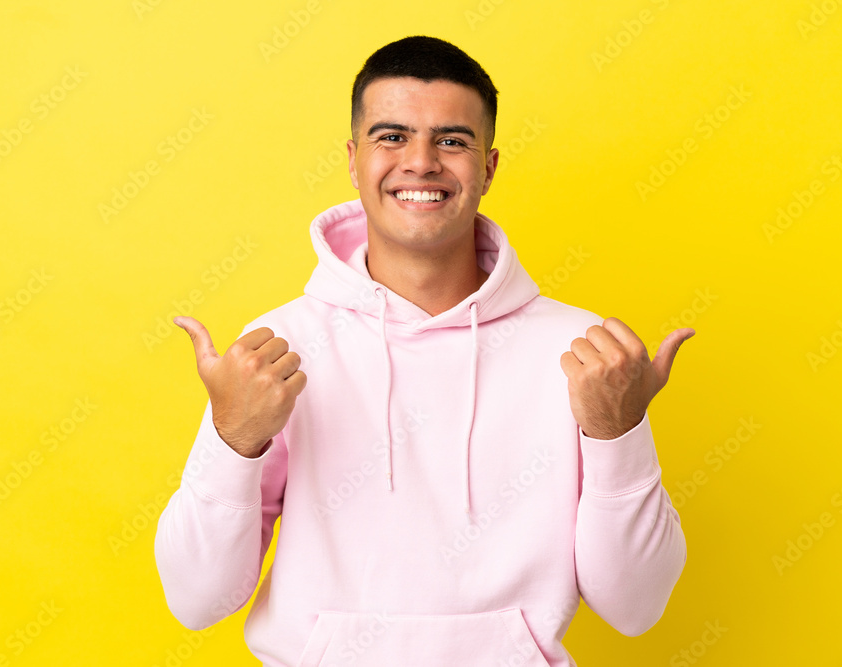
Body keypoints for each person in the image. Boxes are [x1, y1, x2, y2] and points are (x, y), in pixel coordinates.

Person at [154, 34, 692, 666]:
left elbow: (637, 607)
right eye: (392, 136)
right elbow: (196, 600)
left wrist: (616, 432)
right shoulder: (282, 349)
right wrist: (232, 437)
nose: (421, 162)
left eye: (452, 140)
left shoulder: (581, 355)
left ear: (488, 168)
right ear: (354, 161)